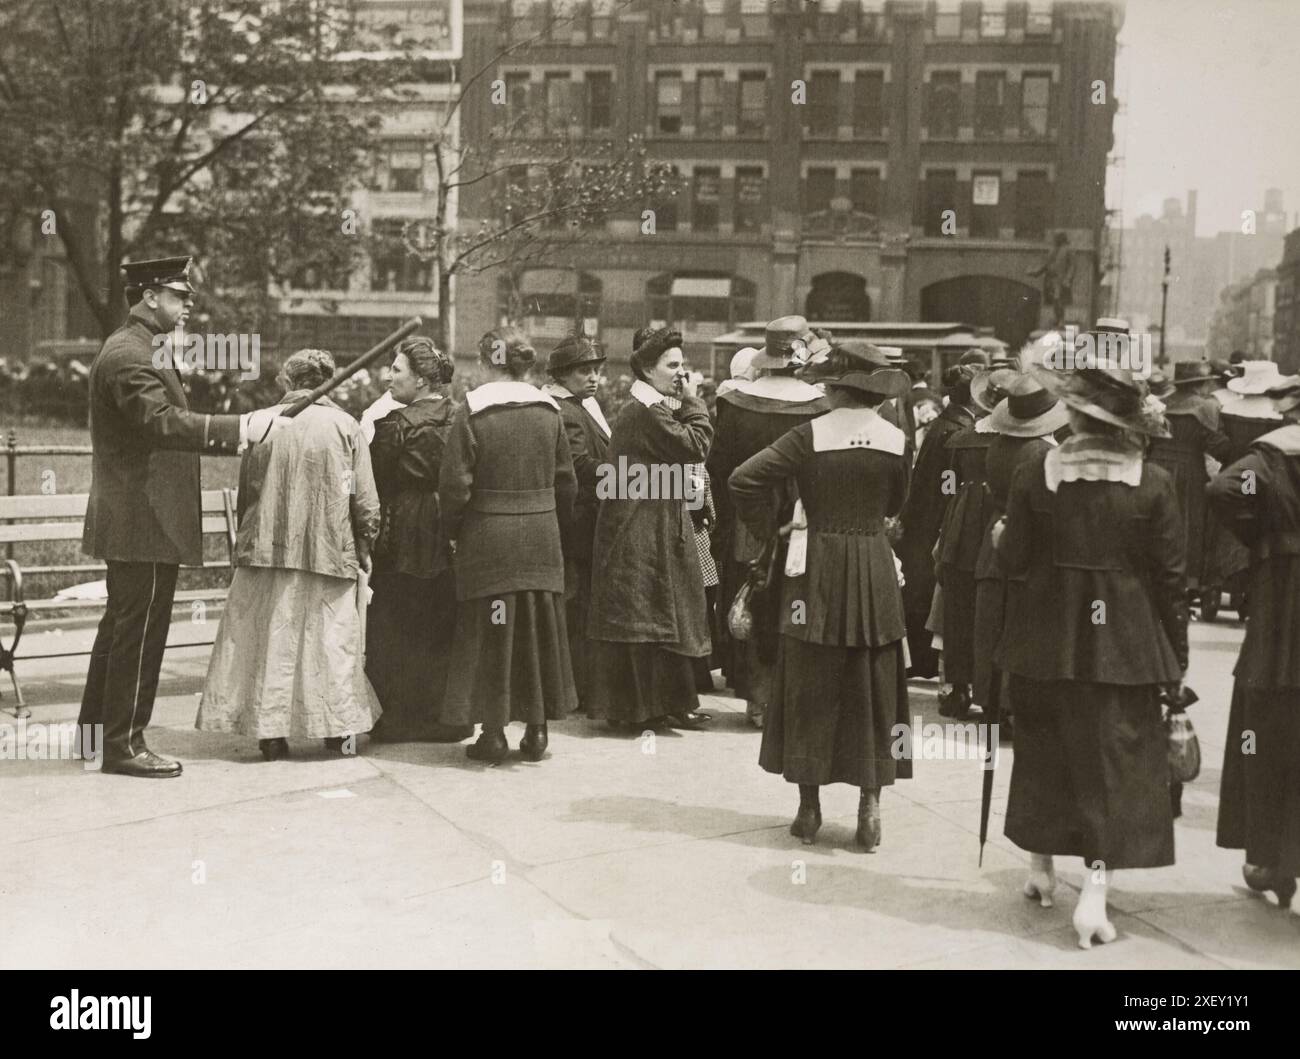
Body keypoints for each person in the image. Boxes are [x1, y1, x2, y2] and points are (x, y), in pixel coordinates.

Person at [993, 366, 1186, 949]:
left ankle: (1041, 870)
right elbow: (1171, 580)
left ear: (1074, 419)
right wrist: (1174, 659)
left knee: (1043, 747)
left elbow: (1014, 560)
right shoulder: (1152, 482)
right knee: (1111, 764)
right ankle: (1094, 897)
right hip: (1122, 644)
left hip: (1044, 633)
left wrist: (1005, 537)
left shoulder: (1038, 471)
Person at [79, 256, 288, 778]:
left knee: (122, 628)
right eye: (179, 296)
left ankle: (93, 736)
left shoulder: (138, 347)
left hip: (138, 516)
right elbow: (160, 423)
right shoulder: (131, 353)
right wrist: (239, 428)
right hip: (142, 516)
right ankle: (123, 746)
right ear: (150, 296)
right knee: (140, 631)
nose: (188, 304)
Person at [730, 343, 911, 850]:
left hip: (816, 569)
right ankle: (870, 807)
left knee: (811, 676)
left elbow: (742, 479)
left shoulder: (807, 436)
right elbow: (899, 501)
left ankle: (809, 808)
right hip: (872, 565)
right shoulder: (896, 439)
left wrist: (774, 529)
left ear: (833, 389)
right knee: (871, 678)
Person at [197, 349, 382, 759]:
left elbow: (249, 492)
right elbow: (363, 498)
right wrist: (366, 541)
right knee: (329, 641)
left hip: (267, 546)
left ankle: (271, 733)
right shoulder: (345, 426)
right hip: (328, 548)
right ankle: (336, 728)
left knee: (269, 641)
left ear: (288, 381)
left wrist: (247, 540)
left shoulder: (266, 423)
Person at [438, 327, 578, 763]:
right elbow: (567, 484)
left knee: (491, 631)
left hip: (489, 535)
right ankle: (537, 733)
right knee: (537, 628)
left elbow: (455, 486)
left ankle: (493, 734)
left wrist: (454, 530)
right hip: (540, 533)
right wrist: (554, 527)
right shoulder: (549, 410)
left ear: (487, 362)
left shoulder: (473, 411)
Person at [586, 327, 714, 730]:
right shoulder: (645, 412)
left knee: (658, 609)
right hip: (638, 525)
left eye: (682, 365)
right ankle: (637, 710)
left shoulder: (650, 408)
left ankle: (662, 706)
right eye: (672, 366)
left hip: (651, 519)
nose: (681, 373)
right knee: (645, 612)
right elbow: (696, 444)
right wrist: (693, 398)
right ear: (646, 369)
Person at [706, 317, 829, 727]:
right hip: (804, 521)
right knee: (798, 602)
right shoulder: (819, 404)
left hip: (751, 520)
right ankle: (793, 697)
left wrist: (727, 522)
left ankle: (757, 697)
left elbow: (719, 469)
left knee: (754, 599)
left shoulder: (735, 403)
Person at [1207, 413, 1300, 908]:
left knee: (1264, 728)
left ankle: (1268, 857)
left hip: (1282, 605)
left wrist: (1260, 536)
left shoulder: (1271, 458)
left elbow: (1224, 488)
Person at [365, 337, 471, 743]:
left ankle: (401, 718)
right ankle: (450, 717)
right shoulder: (464, 417)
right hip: (452, 527)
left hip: (406, 528)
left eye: (397, 370)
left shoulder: (395, 425)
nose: (388, 376)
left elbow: (374, 484)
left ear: (423, 380)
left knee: (396, 622)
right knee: (444, 621)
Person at [971, 374, 1068, 738]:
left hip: (993, 535)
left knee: (990, 624)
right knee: (1019, 625)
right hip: (1025, 540)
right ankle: (1011, 706)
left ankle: (989, 700)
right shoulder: (1043, 453)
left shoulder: (997, 446)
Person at [897, 352, 988, 678]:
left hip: (924, 521)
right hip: (935, 523)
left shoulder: (946, 425)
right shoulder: (957, 431)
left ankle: (920, 660)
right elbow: (948, 486)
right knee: (927, 595)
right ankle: (923, 663)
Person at [934, 367, 1017, 717]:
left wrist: (949, 520)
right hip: (1000, 521)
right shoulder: (1022, 442)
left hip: (962, 523)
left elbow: (947, 485)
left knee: (958, 606)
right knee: (998, 611)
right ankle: (995, 690)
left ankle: (956, 686)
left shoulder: (965, 437)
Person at [541, 335, 612, 712]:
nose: (594, 377)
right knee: (577, 606)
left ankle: (577, 687)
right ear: (563, 374)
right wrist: (629, 476)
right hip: (578, 523)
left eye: (597, 370)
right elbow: (580, 465)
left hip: (582, 520)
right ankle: (576, 689)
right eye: (585, 371)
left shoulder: (578, 406)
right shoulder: (565, 410)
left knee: (579, 605)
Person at [1145, 363, 1233, 614]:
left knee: (1158, 524)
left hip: (1155, 466)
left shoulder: (1161, 404)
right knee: (1189, 525)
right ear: (1200, 384)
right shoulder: (1205, 408)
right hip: (1189, 471)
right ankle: (1186, 582)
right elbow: (1218, 446)